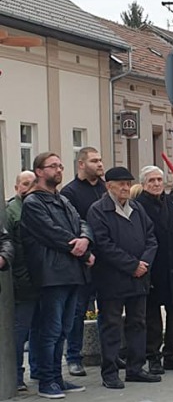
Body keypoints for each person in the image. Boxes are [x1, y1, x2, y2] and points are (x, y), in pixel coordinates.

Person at [21, 152, 93, 399]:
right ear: (39, 171)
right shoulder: (33, 203)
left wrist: (85, 239)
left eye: (61, 166)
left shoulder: (62, 200)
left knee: (64, 328)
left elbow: (81, 222)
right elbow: (51, 232)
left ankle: (57, 377)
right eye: (53, 166)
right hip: (51, 274)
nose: (59, 170)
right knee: (49, 329)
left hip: (71, 273)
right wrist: (79, 248)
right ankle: (46, 380)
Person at [87, 166, 160, 389]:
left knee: (138, 322)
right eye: (121, 184)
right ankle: (110, 372)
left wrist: (144, 264)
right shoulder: (98, 210)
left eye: (128, 184)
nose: (126, 188)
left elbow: (151, 238)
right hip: (112, 279)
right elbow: (104, 245)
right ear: (109, 186)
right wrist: (132, 265)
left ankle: (135, 368)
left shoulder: (136, 208)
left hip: (139, 278)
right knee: (111, 324)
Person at [135, 165, 173, 374]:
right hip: (153, 269)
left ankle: (171, 353)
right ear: (143, 184)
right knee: (152, 316)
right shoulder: (137, 206)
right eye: (151, 181)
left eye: (159, 180)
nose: (156, 184)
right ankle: (153, 356)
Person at [60, 147, 106, 377]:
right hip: (83, 261)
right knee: (78, 311)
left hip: (107, 260)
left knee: (107, 309)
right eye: (94, 161)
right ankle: (74, 357)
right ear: (81, 164)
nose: (100, 164)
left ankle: (109, 354)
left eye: (100, 160)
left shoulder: (105, 188)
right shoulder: (70, 193)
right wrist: (85, 253)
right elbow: (72, 227)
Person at [6, 171, 38, 391]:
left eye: (32, 184)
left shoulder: (37, 208)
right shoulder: (11, 211)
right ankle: (16, 375)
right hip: (21, 281)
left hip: (39, 278)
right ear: (17, 187)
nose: (28, 188)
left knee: (40, 329)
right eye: (24, 184)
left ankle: (37, 370)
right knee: (20, 331)